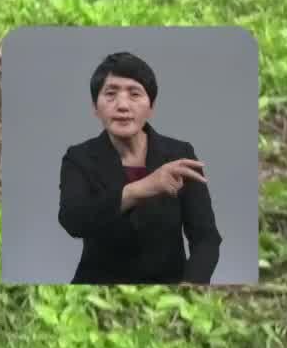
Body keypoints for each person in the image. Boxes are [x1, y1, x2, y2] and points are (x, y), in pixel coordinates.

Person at [56, 51, 221, 284]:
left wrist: (190, 287)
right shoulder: (80, 158)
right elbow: (73, 220)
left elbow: (206, 238)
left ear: (151, 107)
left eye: (135, 94)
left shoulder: (179, 154)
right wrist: (142, 187)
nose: (122, 105)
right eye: (110, 94)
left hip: (169, 291)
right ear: (95, 107)